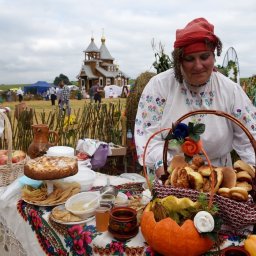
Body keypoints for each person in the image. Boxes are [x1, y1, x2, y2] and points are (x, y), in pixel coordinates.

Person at [135, 17, 256, 179]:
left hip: (218, 179)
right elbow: (148, 137)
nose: (198, 65)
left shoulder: (230, 90)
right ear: (179, 61)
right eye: (190, 59)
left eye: (204, 57)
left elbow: (249, 141)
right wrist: (164, 168)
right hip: (170, 174)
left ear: (213, 56)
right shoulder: (160, 86)